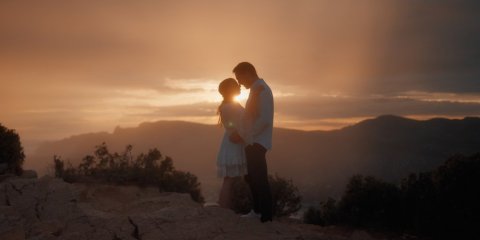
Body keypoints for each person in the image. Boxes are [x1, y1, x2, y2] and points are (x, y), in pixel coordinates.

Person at [230, 62, 274, 222]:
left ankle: (266, 216)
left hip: (257, 141)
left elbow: (265, 120)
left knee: (259, 178)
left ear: (247, 73)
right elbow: (252, 117)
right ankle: (257, 212)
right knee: (253, 178)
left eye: (240, 78)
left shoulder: (262, 90)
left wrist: (245, 135)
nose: (240, 83)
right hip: (253, 140)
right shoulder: (257, 89)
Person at [216, 78, 248, 209]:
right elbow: (234, 126)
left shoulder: (228, 105)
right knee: (229, 179)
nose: (239, 86)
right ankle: (224, 208)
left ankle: (225, 207)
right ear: (230, 89)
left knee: (230, 179)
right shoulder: (230, 107)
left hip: (233, 143)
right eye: (236, 85)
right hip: (233, 145)